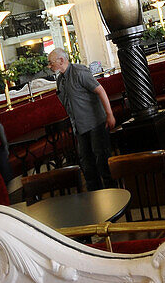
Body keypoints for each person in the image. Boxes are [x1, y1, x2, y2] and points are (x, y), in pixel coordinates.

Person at [48, 47, 116, 191]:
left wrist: (109, 114)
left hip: (96, 123)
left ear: (61, 60)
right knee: (87, 164)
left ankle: (113, 192)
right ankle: (95, 196)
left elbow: (100, 90)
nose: (49, 66)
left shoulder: (79, 72)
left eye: (51, 62)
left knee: (102, 159)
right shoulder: (60, 79)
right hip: (79, 127)